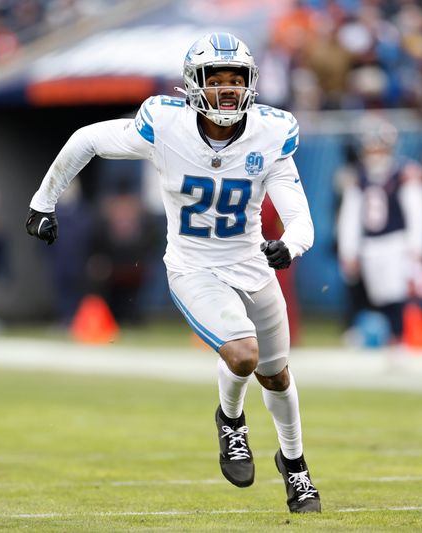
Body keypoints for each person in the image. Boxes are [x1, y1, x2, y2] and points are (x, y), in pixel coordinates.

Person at [24, 32, 320, 513]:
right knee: (243, 352)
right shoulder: (165, 125)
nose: (227, 89)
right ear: (194, 84)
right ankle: (231, 422)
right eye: (216, 79)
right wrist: (44, 202)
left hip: (252, 268)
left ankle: (296, 466)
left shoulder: (271, 132)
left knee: (278, 377)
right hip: (194, 268)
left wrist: (291, 245)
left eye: (236, 79)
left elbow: (299, 214)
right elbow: (87, 140)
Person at [337, 115, 422, 342]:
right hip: (370, 244)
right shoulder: (358, 177)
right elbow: (349, 217)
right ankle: (390, 338)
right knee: (380, 296)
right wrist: (348, 250)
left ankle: (399, 339)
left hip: (397, 242)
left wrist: (417, 245)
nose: (375, 153)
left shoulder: (404, 173)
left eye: (379, 148)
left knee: (396, 294)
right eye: (371, 148)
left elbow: (417, 212)